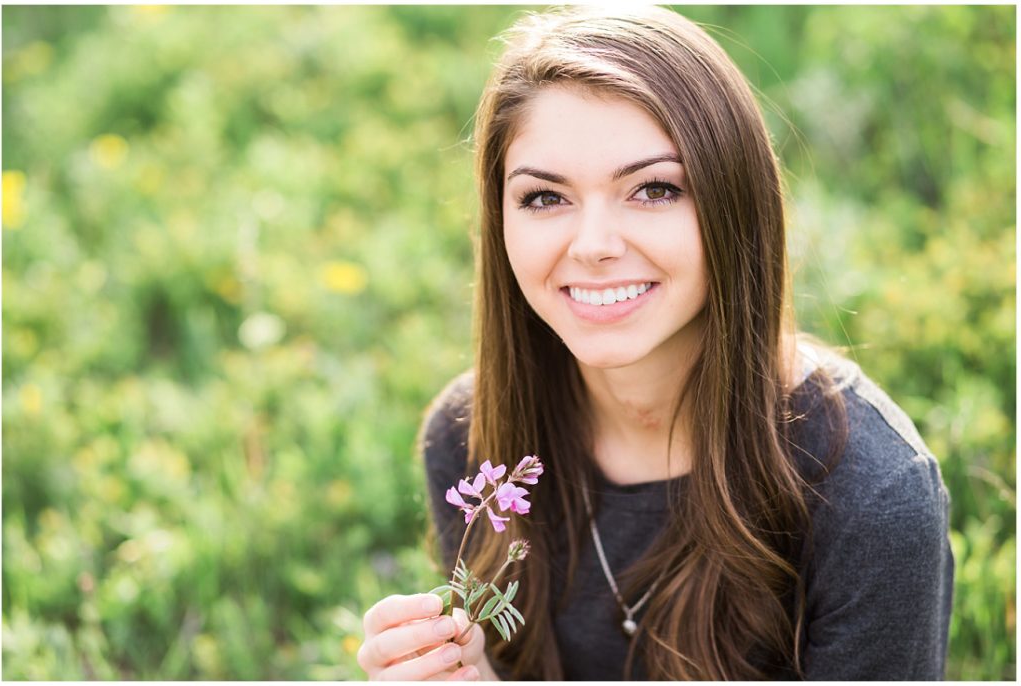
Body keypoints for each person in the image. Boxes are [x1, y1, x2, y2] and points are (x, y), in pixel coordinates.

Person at [357, 6, 953, 680]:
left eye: (654, 189)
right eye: (545, 198)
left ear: (733, 204)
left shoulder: (871, 495)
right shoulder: (474, 447)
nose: (594, 247)